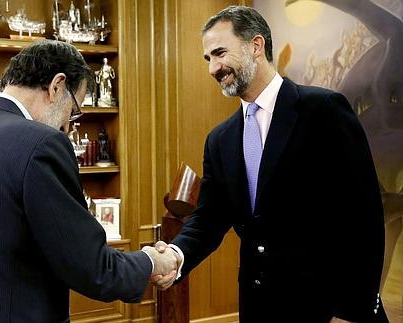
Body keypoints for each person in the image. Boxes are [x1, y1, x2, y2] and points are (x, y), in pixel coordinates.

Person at [152, 6, 387, 323]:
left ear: (256, 46)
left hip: (328, 309)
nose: (213, 68)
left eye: (220, 53)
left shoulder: (324, 110)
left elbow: (363, 216)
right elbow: (209, 217)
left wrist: (352, 310)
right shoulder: (219, 140)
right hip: (259, 307)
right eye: (208, 59)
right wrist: (177, 257)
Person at [0, 40, 178, 322]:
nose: (68, 125)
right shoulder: (41, 143)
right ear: (57, 86)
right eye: (74, 110)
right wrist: (151, 260)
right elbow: (90, 266)